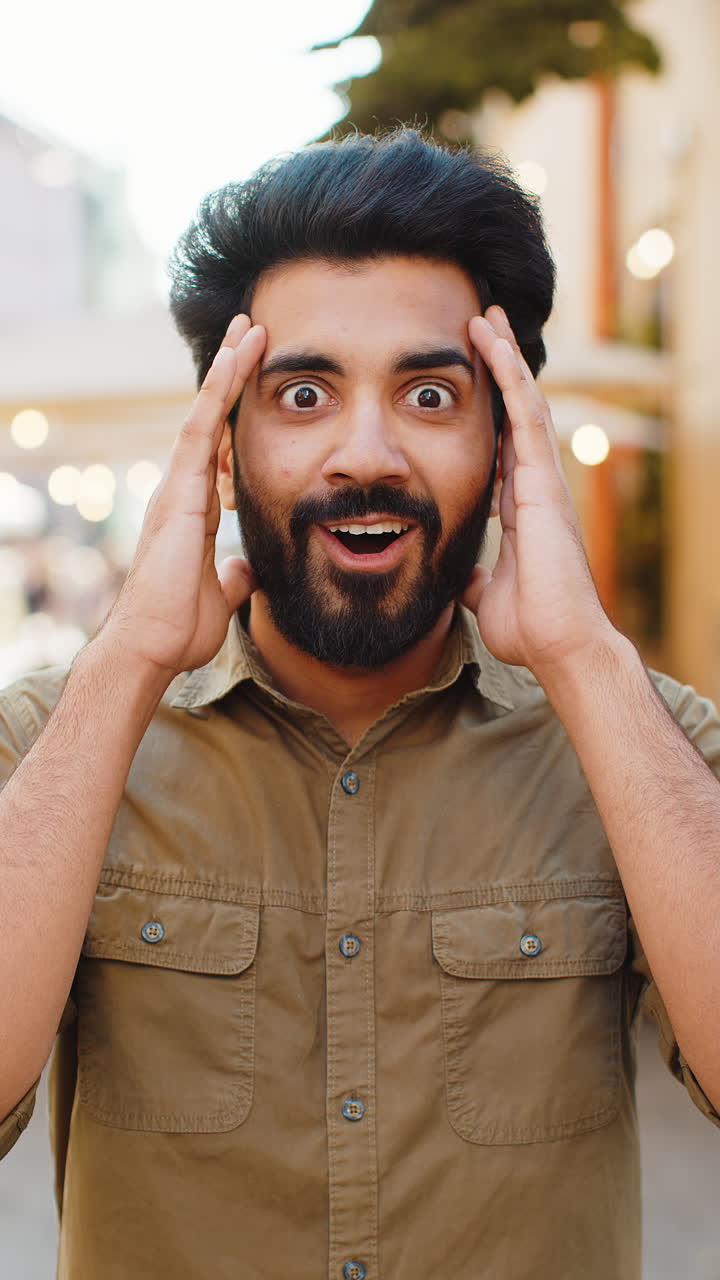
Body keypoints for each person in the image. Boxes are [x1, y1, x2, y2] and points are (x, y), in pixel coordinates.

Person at [0, 128, 718, 1280]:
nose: (366, 453)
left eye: (431, 394)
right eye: (303, 394)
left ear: (506, 442)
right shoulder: (51, 742)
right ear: (222, 447)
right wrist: (129, 657)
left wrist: (586, 657)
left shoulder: (645, 739)